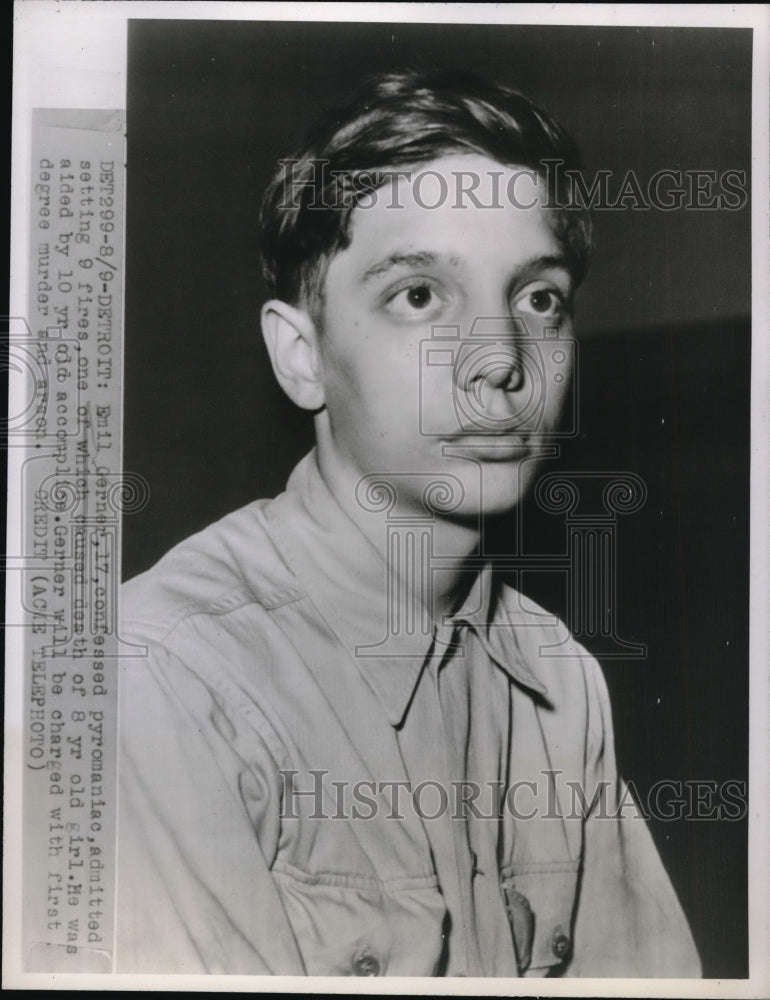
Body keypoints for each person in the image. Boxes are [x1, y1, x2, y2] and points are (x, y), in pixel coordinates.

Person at [115, 68, 701, 977]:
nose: (501, 359)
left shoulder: (561, 681)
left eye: (537, 297)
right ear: (301, 355)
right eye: (420, 295)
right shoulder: (162, 680)